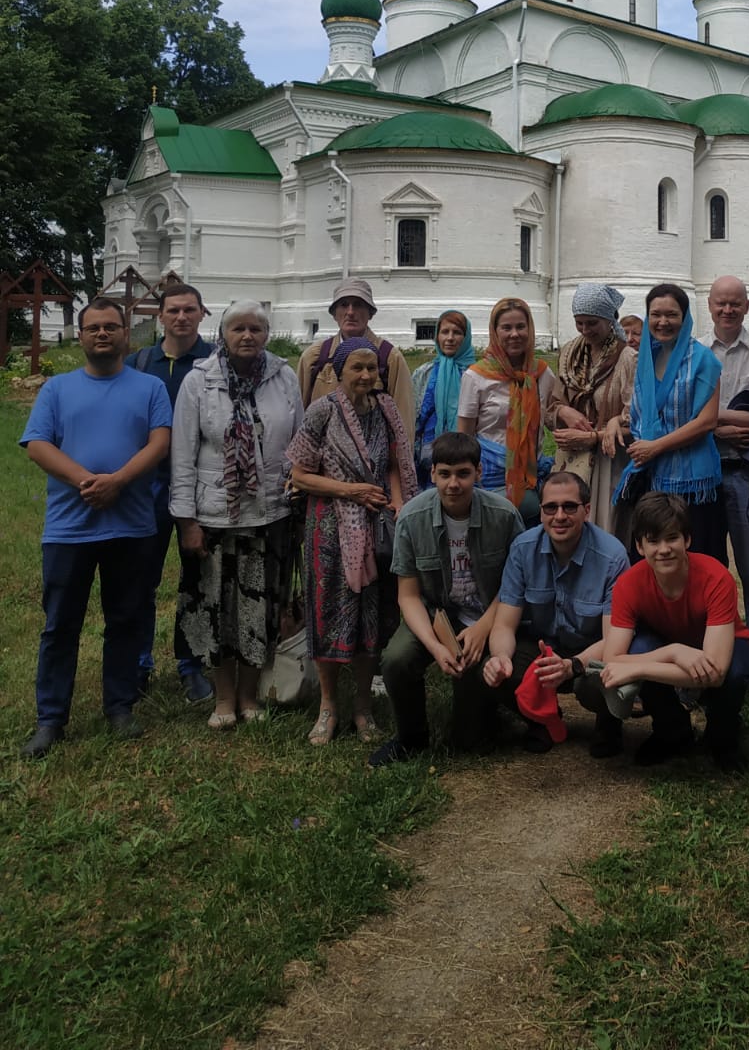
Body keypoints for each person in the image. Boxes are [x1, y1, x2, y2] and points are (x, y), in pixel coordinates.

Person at [20, 298, 172, 757]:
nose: (102, 333)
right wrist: (87, 481)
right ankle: (51, 719)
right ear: (82, 336)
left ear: (126, 334)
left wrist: (118, 481)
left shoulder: (150, 387)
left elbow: (160, 443)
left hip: (131, 526)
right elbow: (37, 444)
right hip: (69, 529)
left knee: (125, 619)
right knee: (59, 626)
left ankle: (120, 706)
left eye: (111, 326)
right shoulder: (57, 389)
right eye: (93, 328)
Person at [171, 300, 304, 728]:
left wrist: (297, 503)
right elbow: (182, 457)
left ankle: (250, 695)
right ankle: (224, 699)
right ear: (223, 335)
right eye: (238, 329)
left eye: (256, 329)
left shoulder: (283, 377)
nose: (247, 336)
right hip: (216, 517)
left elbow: (299, 445)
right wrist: (187, 521)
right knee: (218, 611)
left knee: (260, 609)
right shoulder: (199, 381)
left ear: (267, 334)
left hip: (271, 514)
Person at [285, 340, 418, 744]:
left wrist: (399, 505)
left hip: (376, 525)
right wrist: (351, 491)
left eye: (371, 368)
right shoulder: (322, 410)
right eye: (356, 368)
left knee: (372, 616)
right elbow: (300, 474)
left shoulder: (385, 409)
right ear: (339, 372)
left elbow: (395, 463)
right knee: (328, 612)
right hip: (330, 527)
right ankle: (328, 707)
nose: (365, 375)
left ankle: (363, 706)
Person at [371, 431, 524, 766]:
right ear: (433, 474)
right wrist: (434, 646)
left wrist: (484, 627)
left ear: (478, 473)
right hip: (435, 613)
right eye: (445, 474)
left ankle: (494, 713)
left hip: (488, 615)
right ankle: (411, 737)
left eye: (463, 474)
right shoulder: (412, 518)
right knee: (396, 659)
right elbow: (408, 596)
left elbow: (516, 583)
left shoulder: (504, 515)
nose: (453, 484)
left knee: (469, 741)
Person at [594, 492, 749, 773]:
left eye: (672, 538)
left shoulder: (716, 577)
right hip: (667, 644)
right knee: (640, 647)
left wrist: (640, 669)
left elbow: (715, 672)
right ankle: (672, 732)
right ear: (639, 546)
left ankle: (722, 736)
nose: (664, 549)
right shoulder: (628, 584)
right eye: (653, 541)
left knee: (734, 673)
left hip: (724, 646)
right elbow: (612, 658)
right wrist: (673, 652)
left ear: (687, 540)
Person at [483, 470, 630, 755]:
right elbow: (503, 625)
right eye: (551, 507)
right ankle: (542, 720)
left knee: (601, 677)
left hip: (592, 653)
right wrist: (500, 657)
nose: (559, 516)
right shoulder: (522, 549)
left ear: (587, 510)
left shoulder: (613, 557)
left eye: (569, 507)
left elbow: (615, 640)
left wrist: (572, 665)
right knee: (495, 668)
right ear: (540, 512)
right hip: (544, 649)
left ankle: (609, 723)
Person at [698, 275, 749, 706]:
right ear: (709, 305)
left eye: (735, 303)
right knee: (705, 575)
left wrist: (711, 420)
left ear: (747, 307)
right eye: (720, 303)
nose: (727, 310)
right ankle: (706, 662)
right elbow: (686, 416)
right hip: (703, 474)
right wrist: (718, 427)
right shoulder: (695, 351)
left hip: (746, 474)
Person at [130, 280, 214, 703]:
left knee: (197, 579)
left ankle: (191, 664)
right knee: (140, 578)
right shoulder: (139, 362)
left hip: (201, 488)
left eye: (189, 310)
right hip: (148, 487)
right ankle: (138, 662)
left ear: (202, 314)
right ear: (160, 316)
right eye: (173, 310)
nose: (181, 317)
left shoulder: (216, 363)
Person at [611, 284, 724, 560]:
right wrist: (617, 422)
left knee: (694, 559)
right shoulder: (647, 358)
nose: (663, 322)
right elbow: (640, 414)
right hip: (651, 477)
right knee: (654, 559)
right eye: (656, 314)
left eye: (672, 314)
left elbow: (707, 421)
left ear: (685, 317)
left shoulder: (703, 359)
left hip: (692, 483)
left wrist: (655, 447)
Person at [457, 296, 555, 524]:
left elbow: (554, 417)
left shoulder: (542, 374)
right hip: (489, 478)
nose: (514, 334)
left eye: (521, 327)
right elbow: (464, 435)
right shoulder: (476, 377)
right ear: (495, 331)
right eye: (506, 328)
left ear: (530, 329)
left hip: (533, 478)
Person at [549, 283, 637, 535]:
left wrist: (592, 437)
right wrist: (564, 412)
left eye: (592, 323)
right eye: (579, 323)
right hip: (572, 460)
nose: (585, 330)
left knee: (605, 528)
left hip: (610, 462)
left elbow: (637, 420)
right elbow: (551, 408)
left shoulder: (627, 358)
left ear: (610, 319)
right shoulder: (570, 354)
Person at [298, 278, 416, 445]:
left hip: (374, 456)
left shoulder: (390, 358)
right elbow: (299, 418)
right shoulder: (315, 357)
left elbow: (404, 423)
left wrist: (401, 459)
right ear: (334, 313)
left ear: (370, 313)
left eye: (358, 305)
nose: (350, 312)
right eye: (344, 305)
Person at [411, 310, 475, 487]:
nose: (450, 338)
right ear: (437, 336)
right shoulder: (424, 373)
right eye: (445, 332)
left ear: (466, 337)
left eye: (457, 332)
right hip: (426, 458)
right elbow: (412, 416)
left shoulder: (476, 375)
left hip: (466, 455)